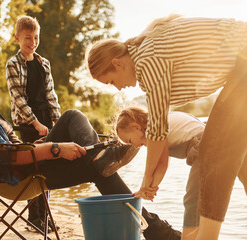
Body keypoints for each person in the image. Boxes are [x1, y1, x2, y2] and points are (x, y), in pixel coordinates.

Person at [0, 56, 182, 240]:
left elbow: (10, 147)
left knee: (74, 122)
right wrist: (54, 149)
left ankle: (152, 226)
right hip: (11, 177)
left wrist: (37, 146)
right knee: (96, 165)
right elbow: (6, 158)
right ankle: (155, 229)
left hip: (22, 166)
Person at [85, 15, 247, 240]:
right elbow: (158, 142)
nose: (118, 88)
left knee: (213, 152)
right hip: (240, 68)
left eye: (111, 81)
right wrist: (148, 183)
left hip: (243, 59)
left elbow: (157, 129)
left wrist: (145, 182)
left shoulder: (145, 61)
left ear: (117, 63)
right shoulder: (143, 52)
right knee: (240, 162)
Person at [115, 107, 247, 239]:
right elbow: (161, 165)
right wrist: (149, 189)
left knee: (192, 199)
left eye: (130, 141)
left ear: (136, 127)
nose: (135, 146)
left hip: (206, 146)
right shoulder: (159, 122)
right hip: (224, 141)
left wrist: (147, 189)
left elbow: (160, 164)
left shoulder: (153, 129)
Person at [5, 15, 61, 231]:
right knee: (33, 169)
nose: (33, 42)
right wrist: (36, 124)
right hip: (28, 124)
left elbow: (51, 94)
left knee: (48, 169)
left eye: (36, 37)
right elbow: (18, 98)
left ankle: (45, 216)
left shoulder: (43, 63)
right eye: (28, 38)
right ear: (17, 37)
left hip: (47, 121)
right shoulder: (13, 64)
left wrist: (56, 120)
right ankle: (33, 218)